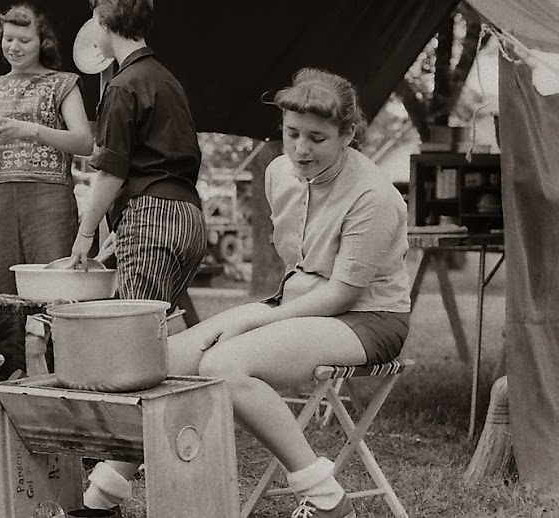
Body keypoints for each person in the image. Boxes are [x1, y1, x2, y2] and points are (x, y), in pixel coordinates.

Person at [82, 69, 411, 518]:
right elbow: (297, 266)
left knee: (224, 364)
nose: (300, 148)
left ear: (349, 134)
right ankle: (101, 499)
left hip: (367, 319)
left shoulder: (374, 195)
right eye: (291, 133)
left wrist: (249, 319)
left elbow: (340, 296)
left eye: (317, 138)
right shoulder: (279, 173)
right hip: (299, 306)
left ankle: (326, 500)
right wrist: (268, 315)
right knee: (164, 359)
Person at [69, 0, 207, 309]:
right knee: (157, 329)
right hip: (190, 218)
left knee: (136, 335)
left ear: (102, 22)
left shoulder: (122, 86)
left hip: (150, 215)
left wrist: (84, 235)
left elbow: (112, 171)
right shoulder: (167, 80)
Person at [0, 3, 94, 380]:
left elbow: (84, 142)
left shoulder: (63, 83)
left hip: (49, 197)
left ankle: (71, 381)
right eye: (8, 38)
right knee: (3, 291)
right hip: (0, 195)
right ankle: (6, 386)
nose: (15, 46)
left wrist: (30, 130)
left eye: (24, 39)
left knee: (57, 290)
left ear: (42, 42)